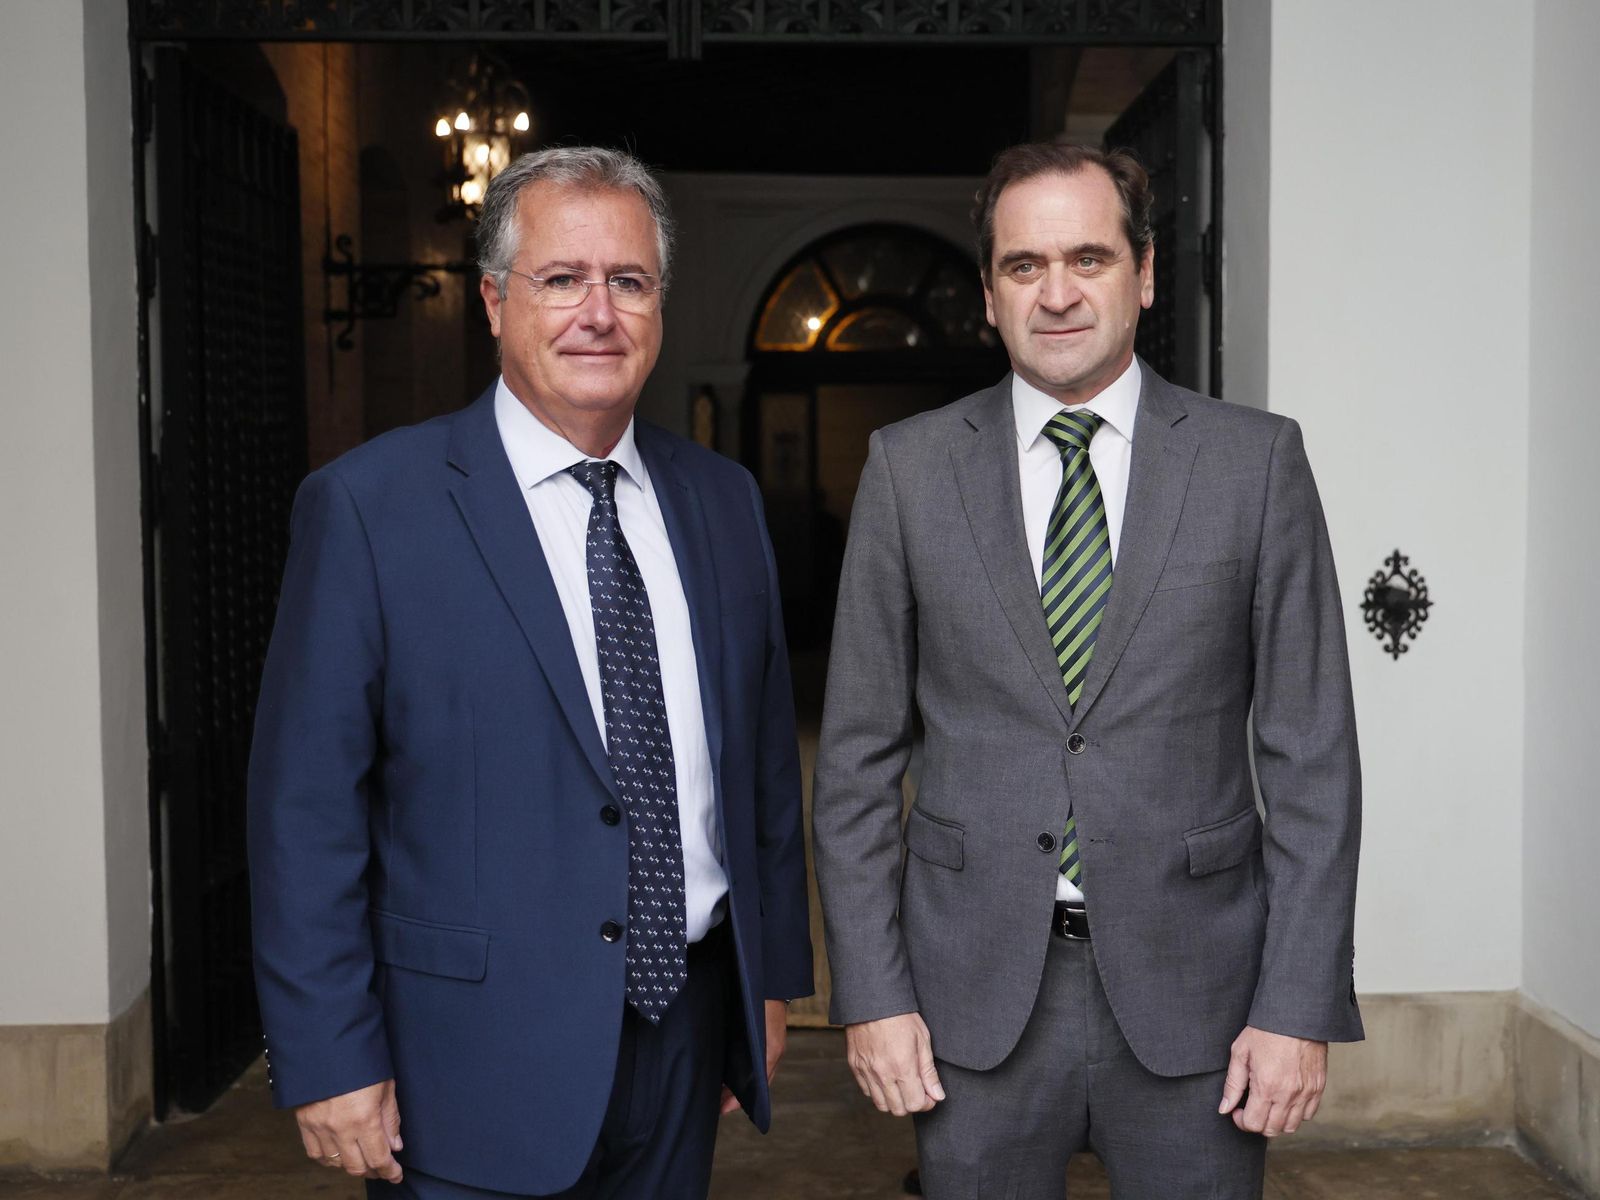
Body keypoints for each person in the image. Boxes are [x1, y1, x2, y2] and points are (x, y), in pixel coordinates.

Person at [248, 146, 813, 1200]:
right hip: (464, 1056)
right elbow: (304, 811)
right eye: (562, 280)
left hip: (683, 1026)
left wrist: (769, 985)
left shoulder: (723, 500)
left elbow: (762, 764)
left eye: (628, 281)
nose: (597, 312)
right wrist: (329, 1054)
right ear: (495, 302)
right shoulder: (371, 508)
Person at [811, 141, 1363, 1199]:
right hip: (971, 996)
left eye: (1088, 259)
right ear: (987, 292)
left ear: (1144, 275)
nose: (1055, 293)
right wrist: (873, 995)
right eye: (1023, 266)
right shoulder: (909, 470)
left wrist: (1295, 1007)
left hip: (1199, 993)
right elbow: (855, 764)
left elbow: (1311, 762)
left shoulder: (1255, 465)